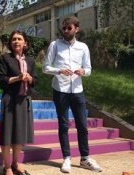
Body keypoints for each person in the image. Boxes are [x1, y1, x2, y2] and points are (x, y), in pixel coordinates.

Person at [43, 16, 102, 173]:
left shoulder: (83, 47)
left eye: (69, 28)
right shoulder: (54, 45)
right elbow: (45, 67)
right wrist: (59, 70)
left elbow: (88, 69)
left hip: (77, 91)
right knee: (63, 125)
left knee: (82, 126)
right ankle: (66, 158)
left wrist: (83, 71)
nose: (66, 31)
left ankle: (85, 158)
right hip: (60, 90)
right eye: (64, 28)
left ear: (77, 29)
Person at [0, 31, 38, 175]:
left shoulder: (31, 61)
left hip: (24, 100)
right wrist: (18, 78)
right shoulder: (5, 58)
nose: (16, 41)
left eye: (19, 39)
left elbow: (35, 80)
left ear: (25, 43)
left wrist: (29, 78)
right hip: (9, 99)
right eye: (13, 39)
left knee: (19, 133)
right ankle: (7, 166)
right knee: (7, 133)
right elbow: (1, 80)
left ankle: (16, 162)